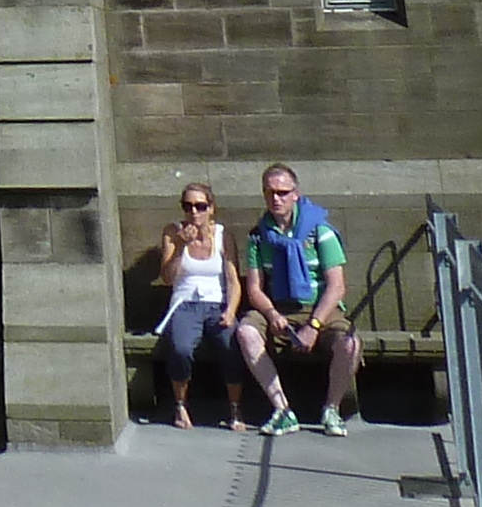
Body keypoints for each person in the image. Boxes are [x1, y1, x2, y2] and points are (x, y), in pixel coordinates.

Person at [231, 162, 362, 436]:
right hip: (279, 307)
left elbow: (337, 286)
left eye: (282, 192)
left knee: (350, 343)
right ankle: (282, 410)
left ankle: (332, 410)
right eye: (270, 193)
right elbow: (254, 288)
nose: (276, 198)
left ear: (295, 194)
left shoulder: (320, 231)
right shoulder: (258, 236)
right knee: (245, 332)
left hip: (320, 308)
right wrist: (271, 314)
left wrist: (313, 326)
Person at [150, 182, 241, 429]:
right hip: (184, 303)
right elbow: (168, 278)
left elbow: (233, 280)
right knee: (181, 349)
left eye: (200, 206)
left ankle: (235, 409)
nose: (194, 212)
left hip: (216, 303)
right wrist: (180, 246)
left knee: (231, 344)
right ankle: (180, 406)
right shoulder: (173, 232)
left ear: (211, 208)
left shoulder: (224, 236)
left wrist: (231, 311)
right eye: (188, 206)